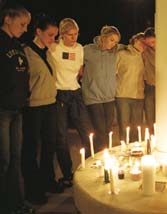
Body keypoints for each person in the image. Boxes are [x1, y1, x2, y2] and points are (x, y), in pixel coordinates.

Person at [22, 13, 64, 206]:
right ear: (38, 31)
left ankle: (48, 180)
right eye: (49, 35)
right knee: (32, 148)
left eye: (55, 36)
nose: (52, 39)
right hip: (34, 107)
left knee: (50, 145)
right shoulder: (27, 52)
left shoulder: (47, 53)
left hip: (50, 103)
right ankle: (33, 189)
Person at [49, 18, 93, 187]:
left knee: (86, 129)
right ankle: (67, 174)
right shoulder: (54, 48)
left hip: (75, 92)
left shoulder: (80, 49)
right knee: (61, 136)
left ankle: (90, 168)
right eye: (70, 35)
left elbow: (79, 70)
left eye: (76, 34)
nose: (74, 38)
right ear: (62, 34)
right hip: (59, 93)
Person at [0, 3, 34, 213]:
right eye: (22, 24)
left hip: (17, 109)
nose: (25, 29)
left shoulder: (17, 44)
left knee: (15, 158)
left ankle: (17, 203)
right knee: (3, 160)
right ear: (8, 19)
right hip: (2, 110)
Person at [82, 26, 121, 152]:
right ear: (103, 37)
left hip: (109, 97)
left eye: (116, 41)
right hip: (93, 97)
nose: (113, 43)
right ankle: (100, 156)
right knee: (100, 129)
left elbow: (130, 47)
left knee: (108, 130)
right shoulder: (87, 50)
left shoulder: (115, 52)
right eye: (111, 40)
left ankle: (105, 154)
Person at [115, 33, 146, 142]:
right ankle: (124, 149)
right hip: (123, 95)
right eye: (141, 41)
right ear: (135, 40)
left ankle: (136, 149)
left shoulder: (145, 56)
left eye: (145, 43)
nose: (143, 45)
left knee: (137, 127)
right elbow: (113, 72)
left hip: (139, 95)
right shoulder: (122, 54)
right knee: (124, 126)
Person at [142, 27, 156, 134]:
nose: (152, 45)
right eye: (149, 43)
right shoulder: (145, 51)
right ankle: (151, 137)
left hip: (164, 87)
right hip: (149, 86)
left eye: (153, 42)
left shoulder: (166, 50)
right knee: (150, 116)